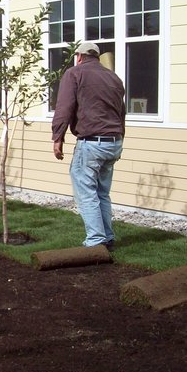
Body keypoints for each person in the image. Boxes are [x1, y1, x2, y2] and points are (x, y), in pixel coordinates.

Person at [52, 41, 126, 250]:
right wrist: (120, 140)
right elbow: (121, 113)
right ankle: (108, 238)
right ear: (97, 56)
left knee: (86, 191)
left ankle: (95, 241)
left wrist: (58, 137)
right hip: (114, 141)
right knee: (102, 192)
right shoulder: (114, 78)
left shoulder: (75, 74)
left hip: (92, 142)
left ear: (79, 56)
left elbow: (64, 106)